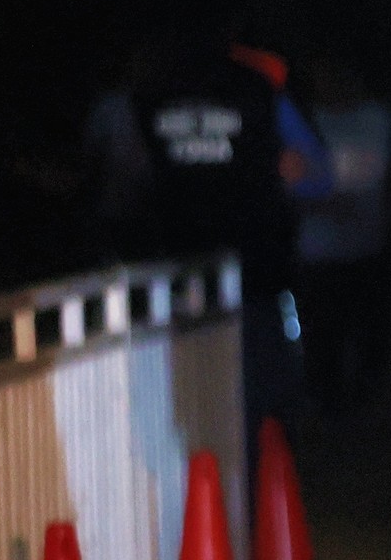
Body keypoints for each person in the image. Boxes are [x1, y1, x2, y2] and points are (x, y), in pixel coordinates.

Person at [132, 24, 330, 441]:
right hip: (255, 272)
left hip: (179, 271)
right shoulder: (259, 89)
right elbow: (315, 175)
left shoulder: (150, 95)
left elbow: (132, 176)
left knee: (193, 391)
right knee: (264, 394)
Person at [294, 57, 391, 414]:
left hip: (369, 246)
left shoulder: (377, 118)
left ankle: (367, 402)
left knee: (369, 331)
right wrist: (319, 204)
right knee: (322, 333)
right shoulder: (306, 123)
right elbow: (290, 181)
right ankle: (328, 403)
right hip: (319, 251)